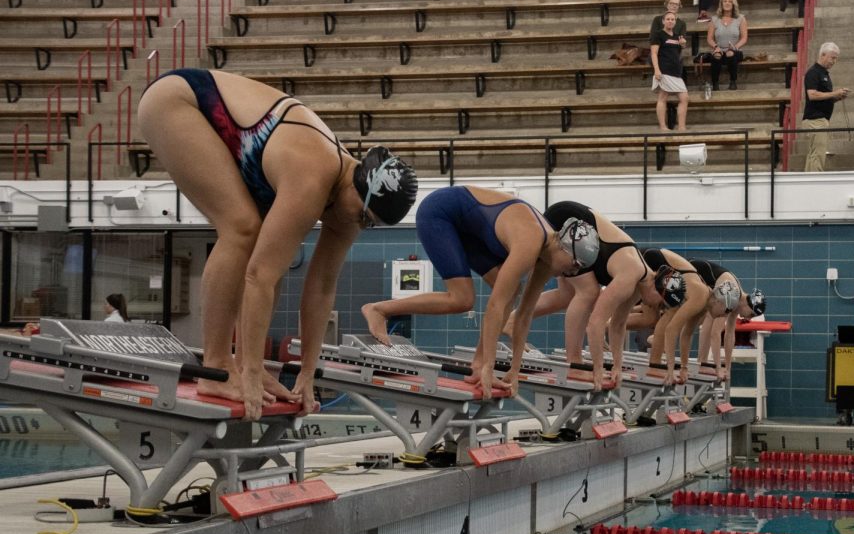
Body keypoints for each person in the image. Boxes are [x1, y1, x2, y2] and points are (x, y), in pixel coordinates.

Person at [138, 68, 418, 420]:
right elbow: (258, 277)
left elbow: (320, 289)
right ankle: (218, 365)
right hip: (181, 101)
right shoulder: (314, 174)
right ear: (357, 185)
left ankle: (238, 362)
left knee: (267, 248)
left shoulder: (352, 205)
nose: (358, 225)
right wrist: (252, 373)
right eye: (363, 217)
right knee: (241, 229)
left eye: (369, 225)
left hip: (234, 137)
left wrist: (307, 373)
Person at [360, 186, 589, 396]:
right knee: (462, 299)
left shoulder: (546, 257)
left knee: (512, 291)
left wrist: (514, 369)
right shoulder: (530, 242)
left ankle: (478, 363)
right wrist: (491, 366)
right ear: (565, 247)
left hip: (470, 229)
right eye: (575, 264)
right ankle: (379, 309)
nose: (572, 272)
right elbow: (495, 305)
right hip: (441, 213)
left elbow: (524, 315)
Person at [528, 201, 666, 392]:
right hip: (568, 220)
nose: (658, 310)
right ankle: (574, 362)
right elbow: (595, 323)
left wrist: (617, 365)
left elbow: (618, 325)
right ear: (657, 289)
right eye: (661, 305)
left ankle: (512, 320)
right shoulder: (630, 274)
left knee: (567, 295)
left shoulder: (638, 280)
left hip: (578, 227)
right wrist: (598, 368)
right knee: (588, 292)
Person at [641, 248, 710, 386]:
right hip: (654, 260)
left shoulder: (701, 299)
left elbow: (686, 334)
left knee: (662, 316)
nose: (722, 317)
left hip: (663, 266)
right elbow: (672, 330)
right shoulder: (700, 297)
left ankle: (655, 363)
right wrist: (671, 369)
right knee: (650, 318)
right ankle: (654, 365)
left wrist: (684, 367)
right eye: (724, 313)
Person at [690, 259, 765, 383]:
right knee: (705, 318)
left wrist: (728, 367)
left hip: (699, 279)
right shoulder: (731, 296)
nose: (749, 318)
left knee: (706, 317)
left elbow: (729, 334)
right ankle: (701, 362)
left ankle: (701, 362)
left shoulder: (737, 300)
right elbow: (715, 334)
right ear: (747, 304)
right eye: (751, 314)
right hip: (690, 271)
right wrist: (718, 367)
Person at [801, 42, 850, 172]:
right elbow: (812, 95)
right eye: (832, 57)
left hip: (820, 119)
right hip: (815, 120)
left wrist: (837, 97)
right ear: (822, 55)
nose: (834, 61)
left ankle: (809, 182)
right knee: (818, 154)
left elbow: (823, 98)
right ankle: (816, 182)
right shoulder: (813, 72)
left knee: (813, 155)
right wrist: (835, 93)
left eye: (836, 58)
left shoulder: (824, 73)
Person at [650, 11, 689, 132]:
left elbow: (676, 53)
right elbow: (654, 53)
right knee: (663, 97)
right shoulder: (658, 34)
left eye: (673, 19)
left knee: (684, 98)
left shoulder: (678, 36)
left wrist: (682, 45)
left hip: (676, 71)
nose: (670, 21)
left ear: (675, 22)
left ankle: (681, 126)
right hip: (664, 70)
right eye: (668, 19)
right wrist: (657, 69)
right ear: (663, 21)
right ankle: (663, 126)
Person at [705, 0, 748, 92]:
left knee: (730, 53)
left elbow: (744, 38)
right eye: (725, 1)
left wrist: (735, 46)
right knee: (716, 55)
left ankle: (733, 82)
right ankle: (715, 84)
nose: (727, 3)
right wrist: (715, 46)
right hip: (719, 49)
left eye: (730, 1)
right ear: (721, 4)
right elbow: (709, 39)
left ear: (733, 4)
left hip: (734, 50)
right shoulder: (714, 19)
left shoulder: (741, 18)